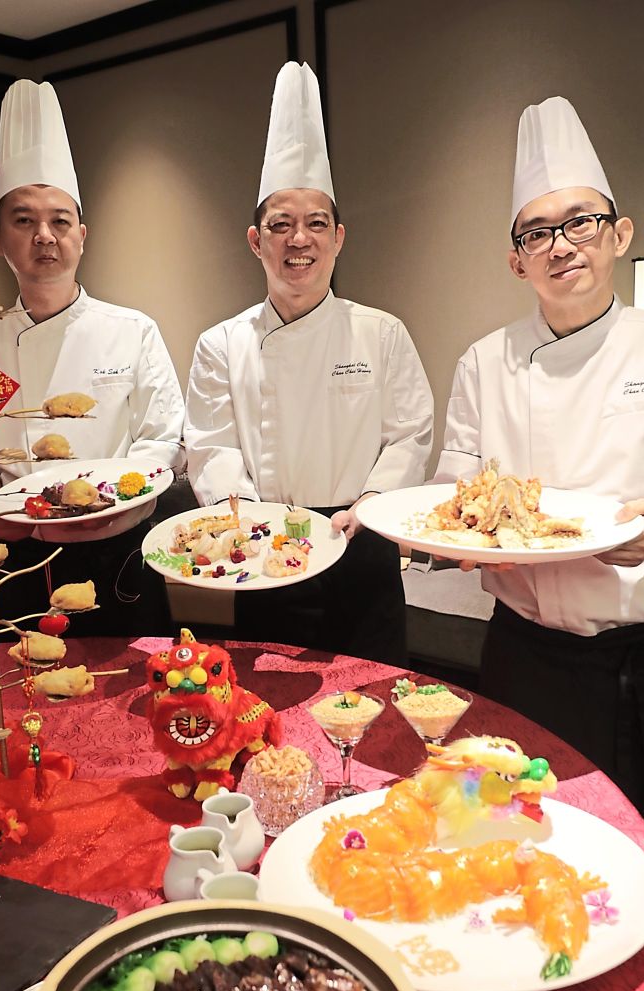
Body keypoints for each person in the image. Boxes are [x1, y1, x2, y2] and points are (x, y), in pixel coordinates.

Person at [435, 96, 644, 981]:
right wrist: (457, 533)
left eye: (579, 223)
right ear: (513, 259)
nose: (560, 244)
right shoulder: (485, 360)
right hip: (521, 652)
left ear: (618, 233)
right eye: (536, 233)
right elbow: (455, 492)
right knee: (523, 843)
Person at [183, 62, 433, 665]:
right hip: (261, 547)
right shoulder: (221, 343)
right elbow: (211, 448)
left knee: (368, 713)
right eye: (282, 225)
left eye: (316, 224)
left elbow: (410, 435)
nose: (300, 240)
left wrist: (369, 503)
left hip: (360, 540)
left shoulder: (382, 332)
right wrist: (248, 522)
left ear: (339, 237)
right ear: (255, 240)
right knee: (261, 711)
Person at [0, 79, 185, 636]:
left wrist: (116, 503)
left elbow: (162, 441)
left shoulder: (133, 330)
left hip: (123, 549)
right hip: (20, 557)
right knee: (29, 696)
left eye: (60, 220)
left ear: (83, 235)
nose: (44, 236)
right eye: (24, 220)